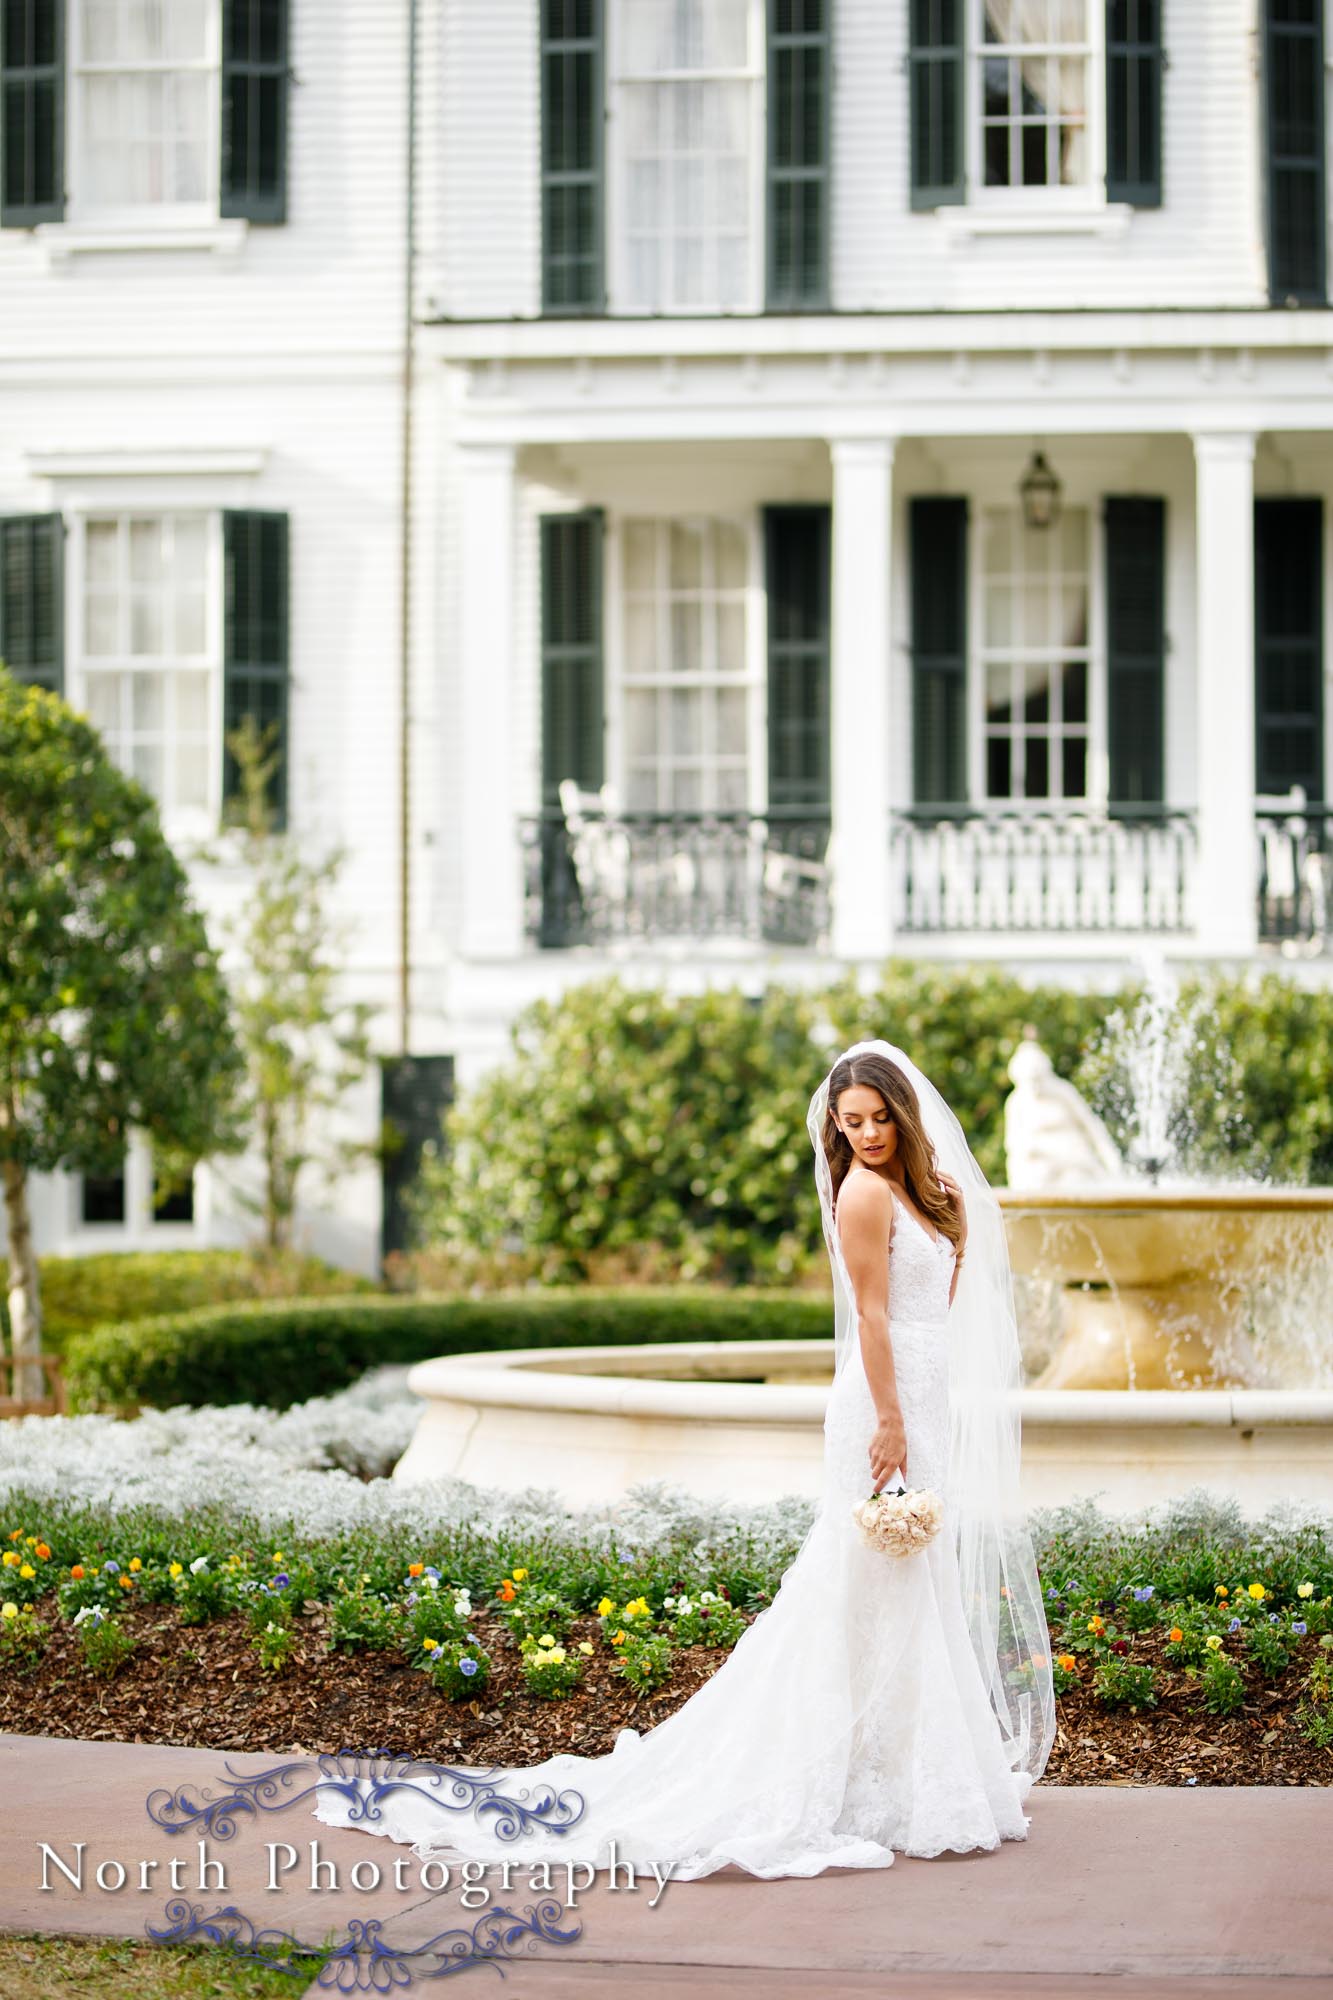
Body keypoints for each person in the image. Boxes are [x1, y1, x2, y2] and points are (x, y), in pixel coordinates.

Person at [312, 1039, 1055, 1879]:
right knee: (857, 1578)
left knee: (912, 1577)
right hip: (879, 1405)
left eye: (881, 1119)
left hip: (923, 1393)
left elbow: (937, 1309)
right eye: (852, 1123)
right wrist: (889, 1421)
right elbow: (874, 1319)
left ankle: (905, 1773)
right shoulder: (859, 1196)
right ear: (837, 1130)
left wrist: (926, 1387)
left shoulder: (932, 1193)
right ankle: (839, 1773)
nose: (869, 1133)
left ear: (903, 1115)